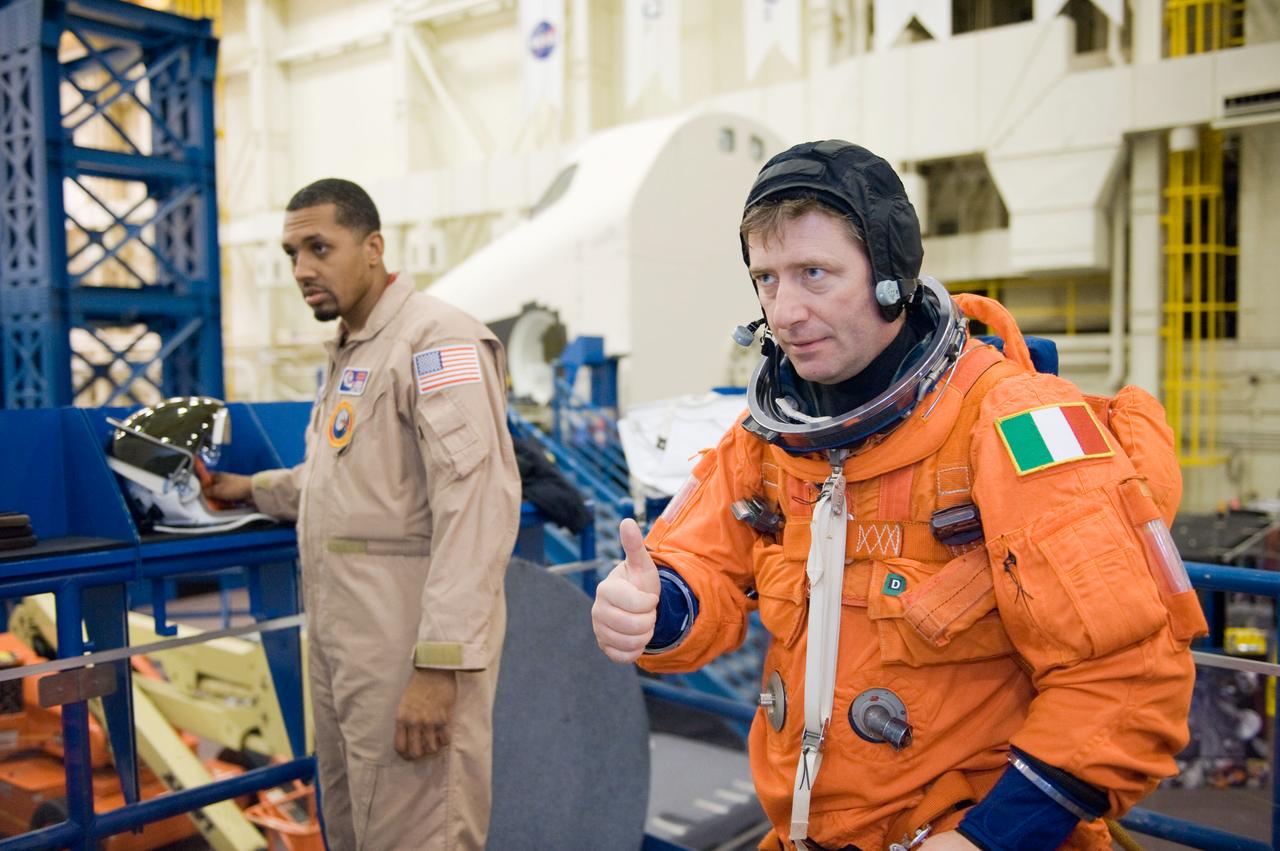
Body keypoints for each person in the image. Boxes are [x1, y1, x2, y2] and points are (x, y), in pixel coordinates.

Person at [591, 141, 1203, 851]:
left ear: (889, 273)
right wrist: (654, 605)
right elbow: (700, 565)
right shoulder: (771, 437)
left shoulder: (1012, 423)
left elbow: (1128, 671)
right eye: (766, 278)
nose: (785, 311)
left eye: (814, 273)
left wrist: (987, 838)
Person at [208, 178, 520, 850]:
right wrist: (248, 487)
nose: (302, 270)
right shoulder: (357, 350)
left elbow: (478, 505)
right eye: (292, 252)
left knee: (418, 828)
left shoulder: (436, 340)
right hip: (345, 651)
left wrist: (439, 666)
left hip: (407, 651)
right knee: (354, 826)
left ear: (373, 248)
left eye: (320, 247)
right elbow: (341, 486)